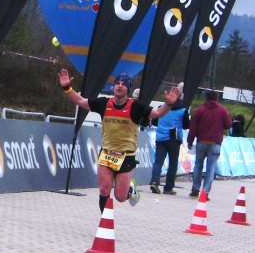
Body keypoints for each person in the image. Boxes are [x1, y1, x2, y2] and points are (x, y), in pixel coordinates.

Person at [58, 69, 181, 212]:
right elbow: (80, 101)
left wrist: (168, 104)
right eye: (117, 83)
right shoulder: (104, 103)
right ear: (113, 87)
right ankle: (104, 224)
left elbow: (157, 113)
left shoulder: (135, 106)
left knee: (120, 197)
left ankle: (131, 188)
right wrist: (67, 87)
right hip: (106, 153)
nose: (120, 86)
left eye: (124, 84)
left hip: (126, 156)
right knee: (104, 189)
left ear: (128, 89)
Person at [187, 90, 232, 200]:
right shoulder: (223, 110)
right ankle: (205, 192)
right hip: (215, 144)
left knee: (198, 166)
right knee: (210, 168)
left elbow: (193, 128)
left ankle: (195, 189)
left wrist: (190, 141)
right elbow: (228, 125)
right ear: (217, 98)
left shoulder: (199, 110)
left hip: (201, 142)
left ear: (206, 98)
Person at [150, 82, 190, 195]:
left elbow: (154, 121)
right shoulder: (183, 110)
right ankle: (168, 187)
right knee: (173, 163)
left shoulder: (162, 107)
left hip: (160, 137)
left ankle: (154, 182)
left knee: (158, 161)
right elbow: (186, 125)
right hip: (174, 138)